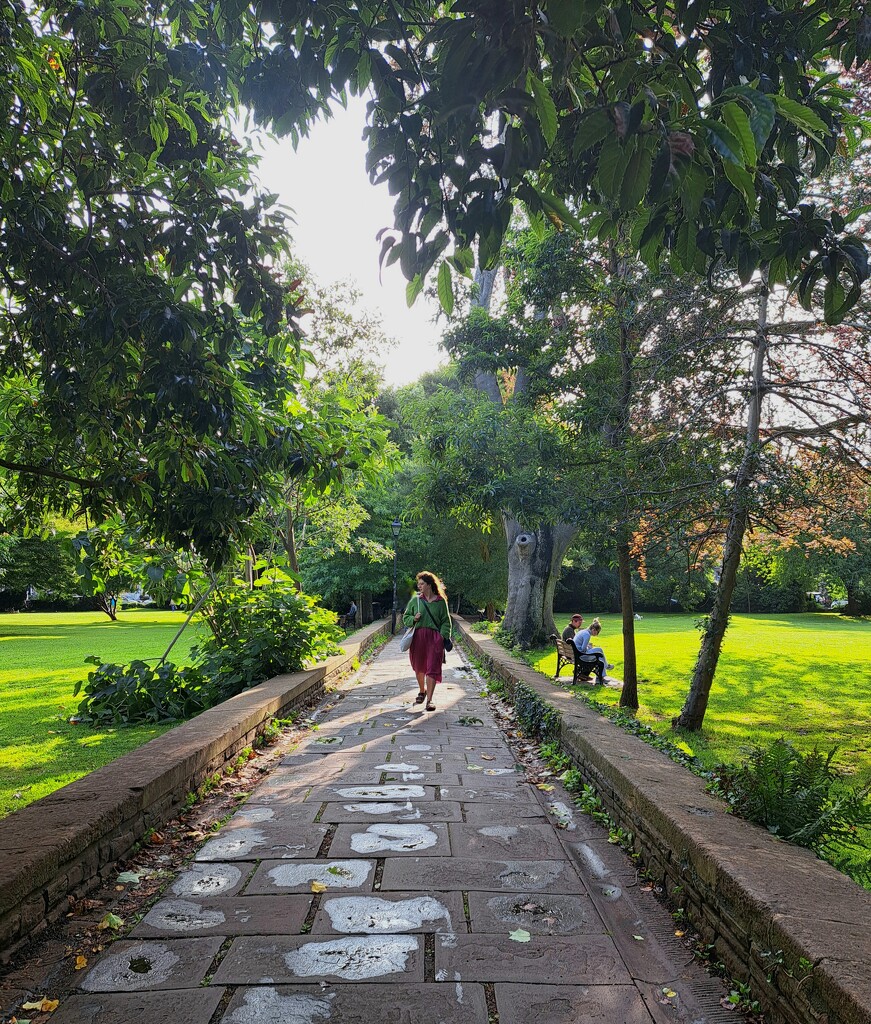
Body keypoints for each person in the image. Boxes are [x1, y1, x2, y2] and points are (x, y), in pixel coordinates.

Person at [402, 571, 452, 711]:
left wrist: (441, 637)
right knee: (419, 666)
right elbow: (406, 618)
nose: (419, 587)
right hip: (418, 638)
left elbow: (446, 622)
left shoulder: (440, 602)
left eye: (422, 584)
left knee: (433, 667)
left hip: (434, 639)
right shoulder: (415, 601)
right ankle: (421, 690)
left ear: (429, 585)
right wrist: (414, 619)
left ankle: (429, 700)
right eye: (418, 584)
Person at [572, 617, 614, 684]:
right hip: (581, 656)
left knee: (599, 653)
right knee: (599, 654)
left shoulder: (583, 631)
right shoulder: (587, 634)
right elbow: (583, 649)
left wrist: (589, 647)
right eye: (597, 632)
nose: (597, 634)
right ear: (594, 630)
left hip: (576, 653)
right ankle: (604, 671)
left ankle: (603, 673)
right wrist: (589, 648)